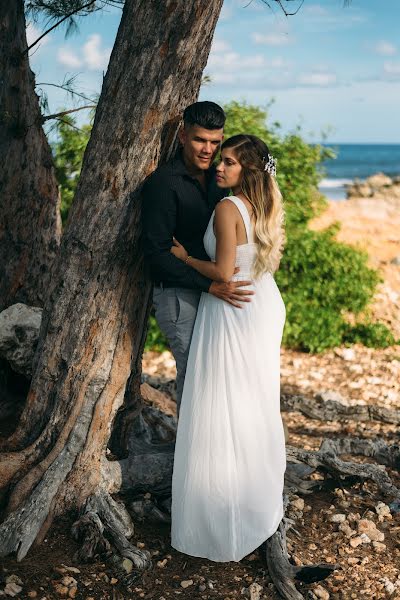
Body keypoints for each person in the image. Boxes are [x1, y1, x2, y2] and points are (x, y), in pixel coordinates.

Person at [170, 134, 287, 562]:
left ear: (248, 171)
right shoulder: (264, 207)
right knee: (252, 403)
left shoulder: (226, 207)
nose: (220, 167)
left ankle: (221, 512)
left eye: (231, 162)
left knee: (222, 402)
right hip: (262, 305)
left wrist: (183, 258)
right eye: (221, 160)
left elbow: (221, 271)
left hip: (232, 309)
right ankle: (250, 500)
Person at [142, 102, 253, 413]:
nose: (208, 150)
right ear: (182, 136)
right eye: (199, 140)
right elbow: (156, 254)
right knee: (195, 380)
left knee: (218, 378)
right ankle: (189, 458)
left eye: (215, 142)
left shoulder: (220, 179)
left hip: (212, 293)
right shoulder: (164, 183)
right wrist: (209, 285)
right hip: (179, 296)